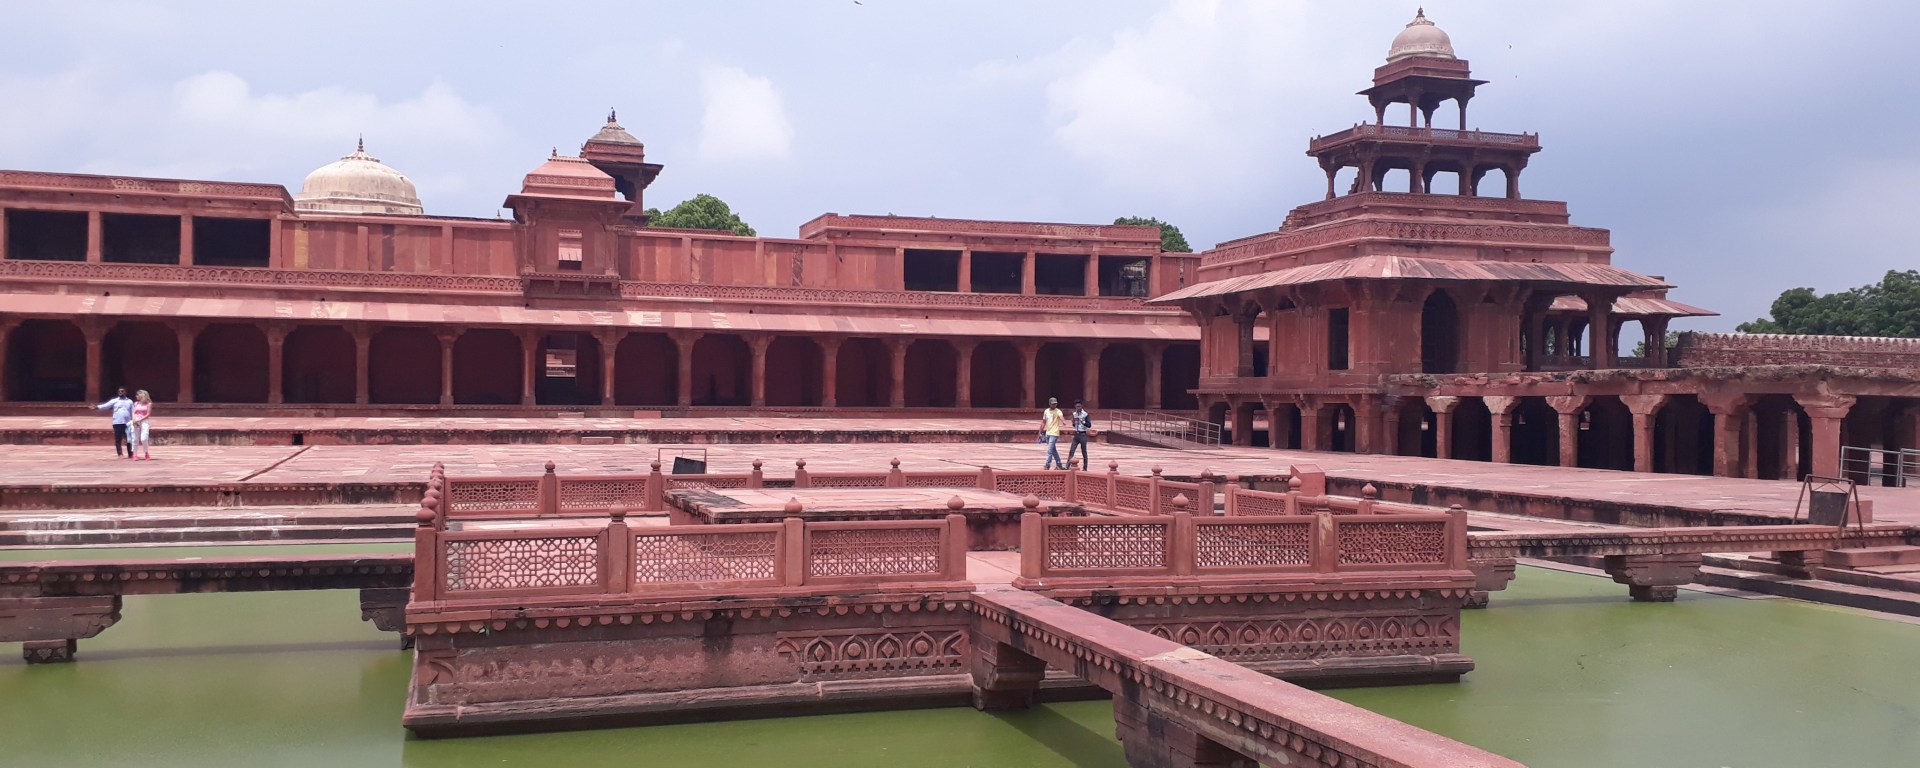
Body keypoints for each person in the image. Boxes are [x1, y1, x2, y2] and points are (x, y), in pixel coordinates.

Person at [94, 387, 133, 458]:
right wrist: (97, 407)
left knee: (129, 439)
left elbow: (132, 412)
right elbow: (106, 405)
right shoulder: (114, 401)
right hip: (117, 422)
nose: (120, 392)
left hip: (127, 423)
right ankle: (120, 454)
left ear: (125, 392)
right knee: (118, 439)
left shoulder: (130, 401)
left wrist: (134, 421)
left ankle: (130, 454)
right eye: (119, 391)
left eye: (122, 391)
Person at [1065, 399, 1095, 470]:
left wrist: (1083, 422)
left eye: (1079, 406)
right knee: (1072, 451)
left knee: (1084, 451)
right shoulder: (1074, 414)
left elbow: (1089, 425)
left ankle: (1085, 468)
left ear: (1081, 406)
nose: (1078, 408)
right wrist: (1073, 423)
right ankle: (1067, 466)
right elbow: (1074, 424)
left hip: (1082, 434)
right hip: (1076, 434)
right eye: (1076, 406)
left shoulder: (1085, 414)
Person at [1039, 397, 1066, 469]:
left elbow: (1061, 416)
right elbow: (1043, 422)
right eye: (1053, 404)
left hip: (1054, 433)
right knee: (1053, 450)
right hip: (1048, 433)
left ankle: (1047, 465)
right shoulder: (1046, 411)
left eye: (1055, 404)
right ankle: (1059, 464)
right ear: (1049, 404)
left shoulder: (1058, 411)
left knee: (1050, 450)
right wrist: (1040, 432)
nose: (1054, 405)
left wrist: (1063, 421)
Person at [128, 390, 153, 461]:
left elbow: (148, 414)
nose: (136, 396)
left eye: (138, 395)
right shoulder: (136, 403)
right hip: (136, 421)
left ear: (142, 395)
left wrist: (140, 419)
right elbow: (134, 412)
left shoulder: (149, 404)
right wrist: (134, 420)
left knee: (144, 438)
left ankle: (146, 452)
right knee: (135, 438)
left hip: (144, 421)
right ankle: (135, 454)